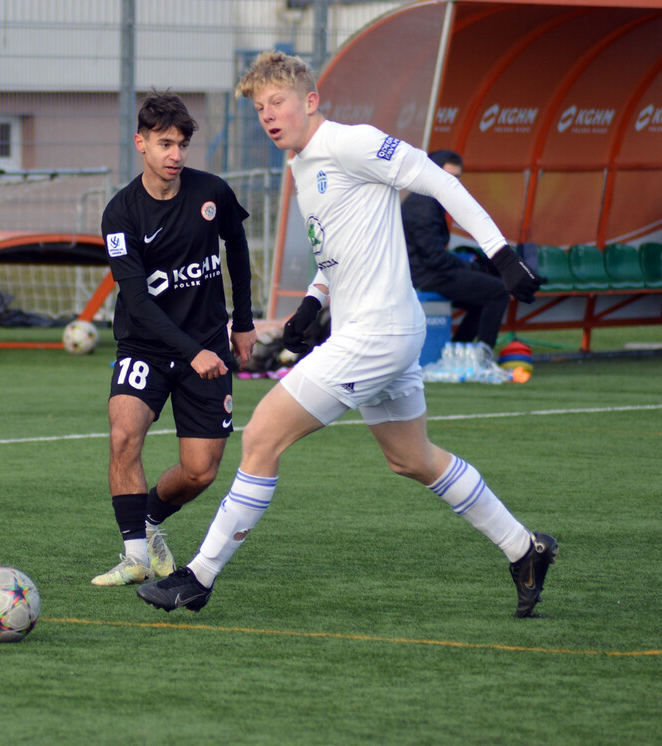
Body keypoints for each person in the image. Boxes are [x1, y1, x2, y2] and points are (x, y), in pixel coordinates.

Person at [136, 52, 557, 618]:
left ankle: (198, 577)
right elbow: (335, 252)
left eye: (278, 102)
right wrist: (313, 302)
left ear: (310, 101)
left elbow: (435, 179)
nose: (268, 115)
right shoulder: (302, 166)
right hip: (382, 331)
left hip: (377, 333)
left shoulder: (351, 142)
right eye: (260, 108)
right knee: (412, 458)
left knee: (261, 437)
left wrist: (499, 253)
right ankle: (524, 549)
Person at [91, 91, 258, 587]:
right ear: (140, 143)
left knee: (201, 471)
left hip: (207, 343)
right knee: (123, 434)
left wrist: (243, 322)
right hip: (146, 345)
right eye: (165, 144)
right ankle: (135, 556)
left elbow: (238, 250)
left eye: (183, 145)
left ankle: (150, 523)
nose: (176, 155)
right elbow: (138, 301)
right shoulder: (121, 214)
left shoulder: (212, 193)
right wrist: (194, 352)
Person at [402, 149, 511, 350]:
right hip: (425, 276)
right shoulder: (422, 207)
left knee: (484, 297)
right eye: (448, 177)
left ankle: (458, 352)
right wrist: (467, 264)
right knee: (498, 291)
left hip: (429, 271)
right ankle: (483, 358)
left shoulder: (427, 200)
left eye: (457, 178)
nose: (453, 184)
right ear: (432, 173)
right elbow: (434, 258)